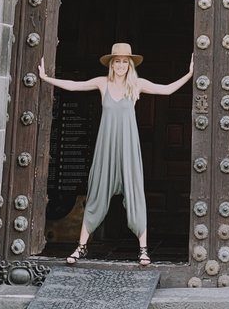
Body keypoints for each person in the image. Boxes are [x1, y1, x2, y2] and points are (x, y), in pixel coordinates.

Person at [38, 42, 193, 266]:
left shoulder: (136, 85)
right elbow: (74, 86)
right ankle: (81, 247)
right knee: (96, 192)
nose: (120, 66)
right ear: (112, 65)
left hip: (129, 148)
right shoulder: (103, 83)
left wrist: (190, 74)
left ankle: (143, 250)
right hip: (106, 147)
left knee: (135, 192)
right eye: (117, 62)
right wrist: (45, 78)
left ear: (130, 65)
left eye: (124, 62)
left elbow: (167, 89)